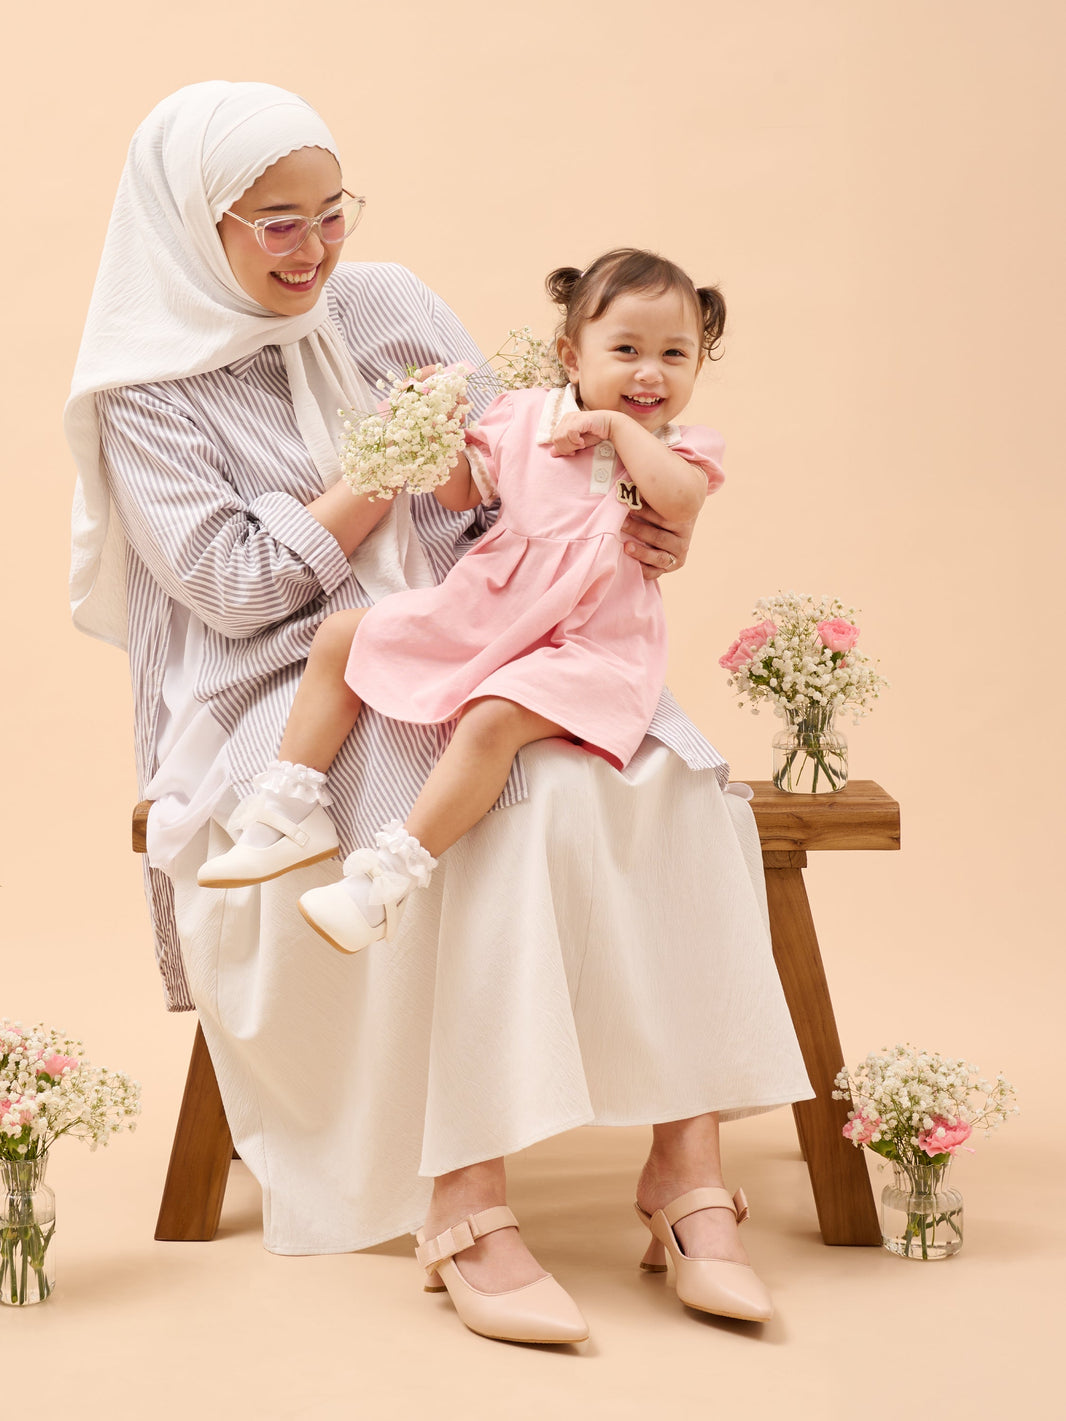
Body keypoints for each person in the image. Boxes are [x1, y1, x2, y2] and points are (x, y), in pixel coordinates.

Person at [66, 80, 813, 1346]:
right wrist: (380, 476)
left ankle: (687, 1171)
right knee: (510, 800)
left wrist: (624, 532)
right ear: (197, 223)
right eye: (275, 223)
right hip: (290, 672)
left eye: (330, 213)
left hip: (493, 613)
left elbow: (508, 484)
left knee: (671, 778)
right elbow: (237, 592)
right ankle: (465, 1195)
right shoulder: (145, 392)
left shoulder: (389, 301)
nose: (315, 251)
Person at [197, 250, 729, 959]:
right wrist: (437, 426)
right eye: (626, 349)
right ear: (571, 356)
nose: (649, 372)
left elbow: (680, 498)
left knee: (490, 722)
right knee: (342, 638)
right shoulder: (524, 415)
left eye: (675, 354)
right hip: (492, 609)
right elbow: (459, 495)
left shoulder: (680, 446)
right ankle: (288, 808)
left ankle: (387, 880)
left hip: (592, 644)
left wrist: (618, 431)